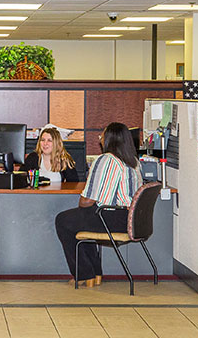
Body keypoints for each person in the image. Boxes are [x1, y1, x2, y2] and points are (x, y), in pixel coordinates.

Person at [54, 122, 142, 287]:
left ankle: (85, 274)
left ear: (110, 139)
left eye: (102, 134)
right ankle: (94, 274)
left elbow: (87, 201)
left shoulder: (106, 159)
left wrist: (83, 201)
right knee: (80, 222)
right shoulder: (134, 162)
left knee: (63, 220)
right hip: (129, 219)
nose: (99, 137)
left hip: (110, 218)